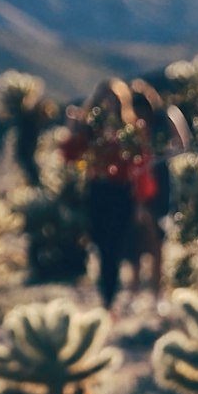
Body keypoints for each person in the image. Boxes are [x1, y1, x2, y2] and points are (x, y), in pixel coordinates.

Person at [61, 78, 149, 313]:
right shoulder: (89, 129)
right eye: (105, 99)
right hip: (97, 191)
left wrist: (140, 201)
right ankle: (107, 298)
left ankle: (110, 299)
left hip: (121, 193)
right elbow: (70, 156)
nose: (109, 103)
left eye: (114, 99)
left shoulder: (130, 130)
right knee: (101, 246)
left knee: (115, 246)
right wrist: (72, 128)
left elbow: (139, 162)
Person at [128, 79, 191, 306]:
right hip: (137, 187)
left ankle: (157, 293)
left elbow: (183, 144)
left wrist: (156, 159)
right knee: (136, 239)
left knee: (157, 239)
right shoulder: (131, 126)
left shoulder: (165, 118)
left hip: (161, 184)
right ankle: (134, 292)